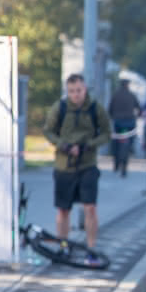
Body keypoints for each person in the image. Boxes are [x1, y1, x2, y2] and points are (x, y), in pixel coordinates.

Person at [44, 73, 111, 261]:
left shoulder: (95, 109)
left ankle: (91, 248)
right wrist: (63, 145)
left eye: (79, 91)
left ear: (85, 90)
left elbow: (106, 132)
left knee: (90, 207)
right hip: (64, 166)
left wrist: (89, 144)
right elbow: (48, 131)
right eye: (72, 91)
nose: (76, 95)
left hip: (87, 164)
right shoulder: (60, 108)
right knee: (63, 209)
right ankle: (64, 245)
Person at [106, 78, 141, 177]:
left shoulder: (115, 95)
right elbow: (139, 108)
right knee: (129, 141)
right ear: (128, 85)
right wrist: (137, 116)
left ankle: (116, 163)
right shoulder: (131, 95)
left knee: (116, 142)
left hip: (118, 122)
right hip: (130, 122)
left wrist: (112, 117)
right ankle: (130, 150)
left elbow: (110, 109)